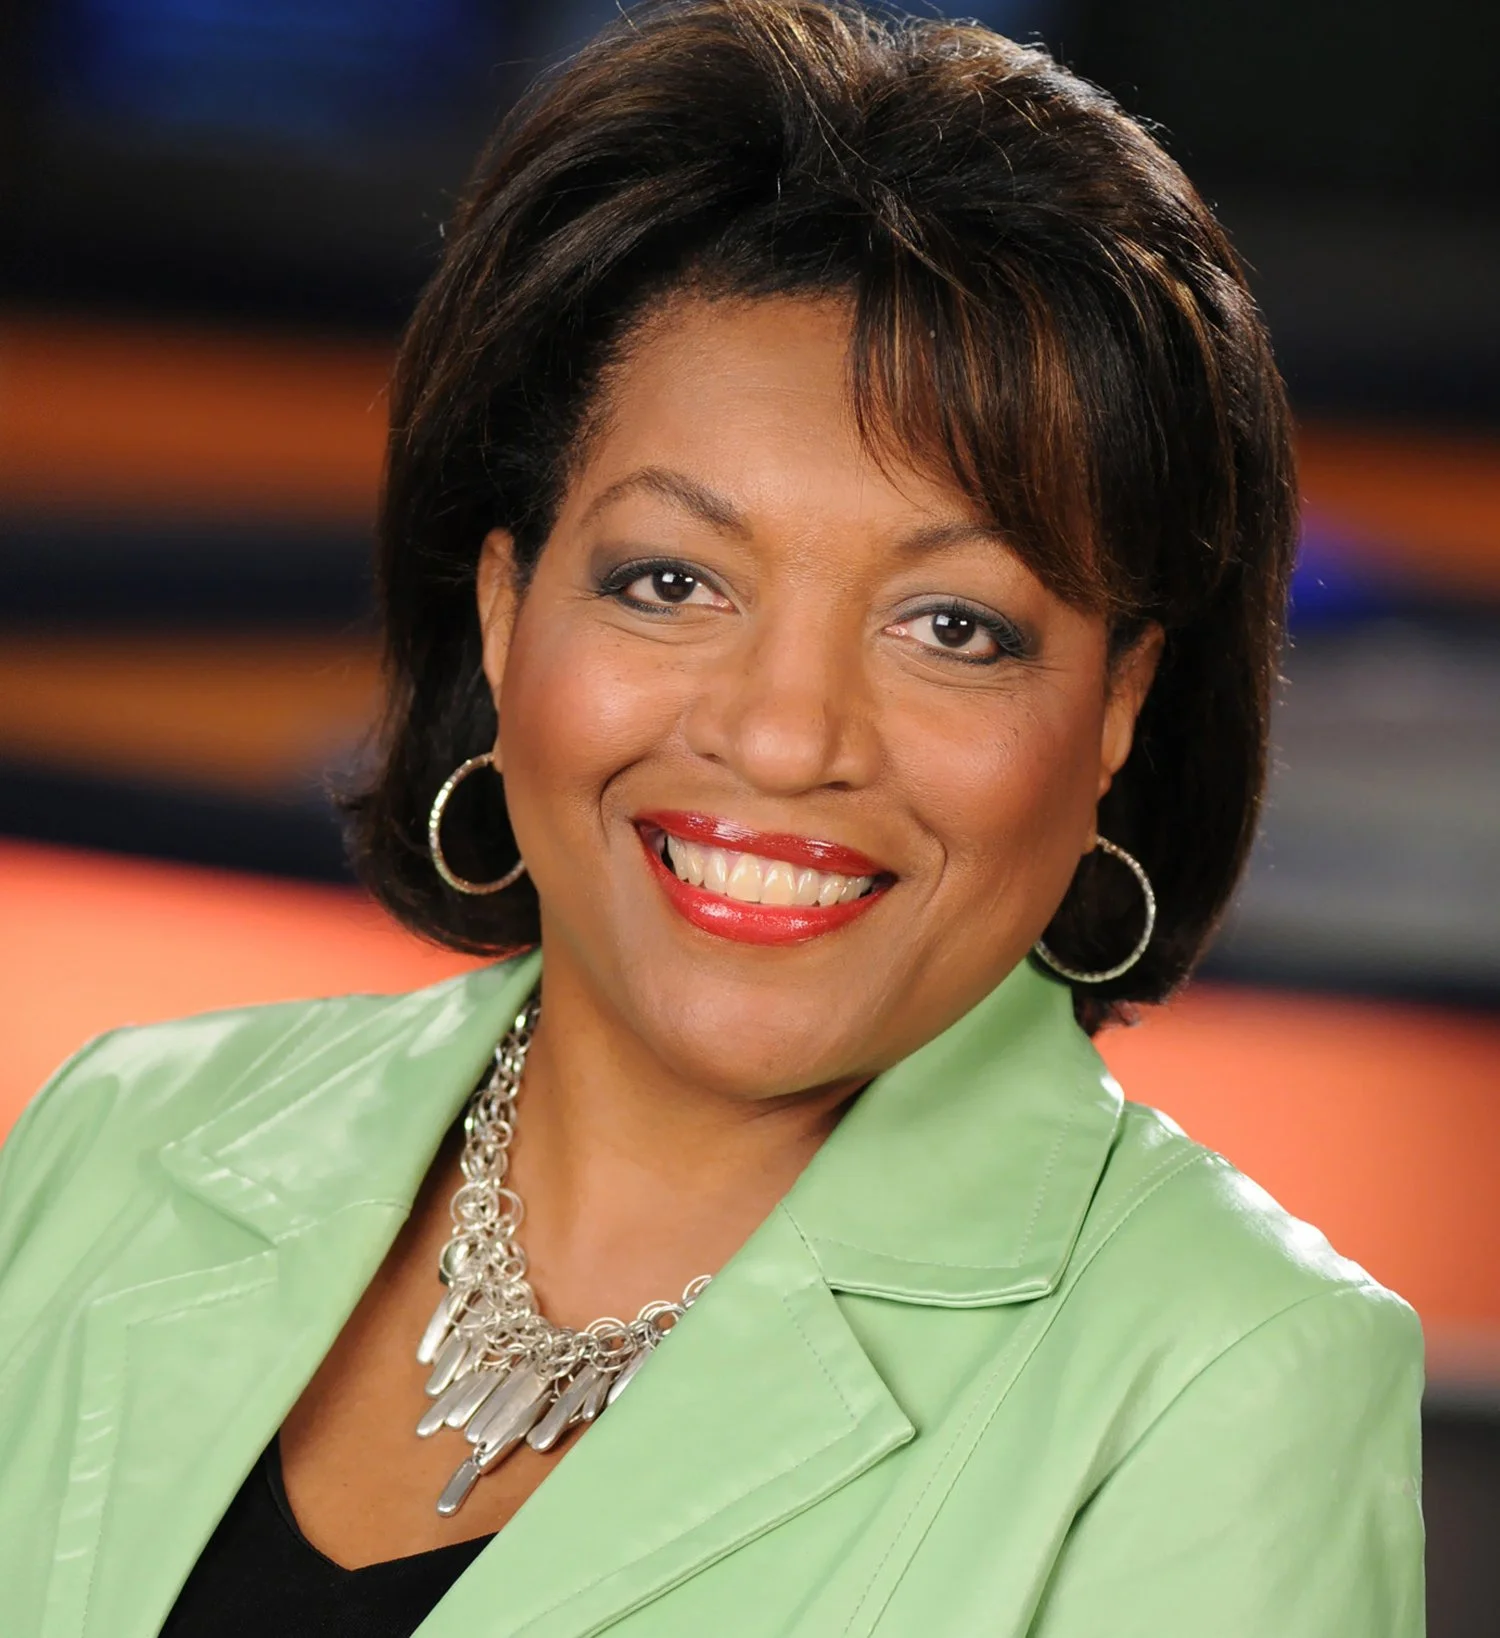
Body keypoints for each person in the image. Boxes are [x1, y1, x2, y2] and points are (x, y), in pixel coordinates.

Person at [0, 2, 1423, 1634]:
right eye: (673, 582)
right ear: (504, 609)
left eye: (952, 624)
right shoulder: (124, 1136)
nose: (785, 734)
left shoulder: (1230, 1385)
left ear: (1116, 704)